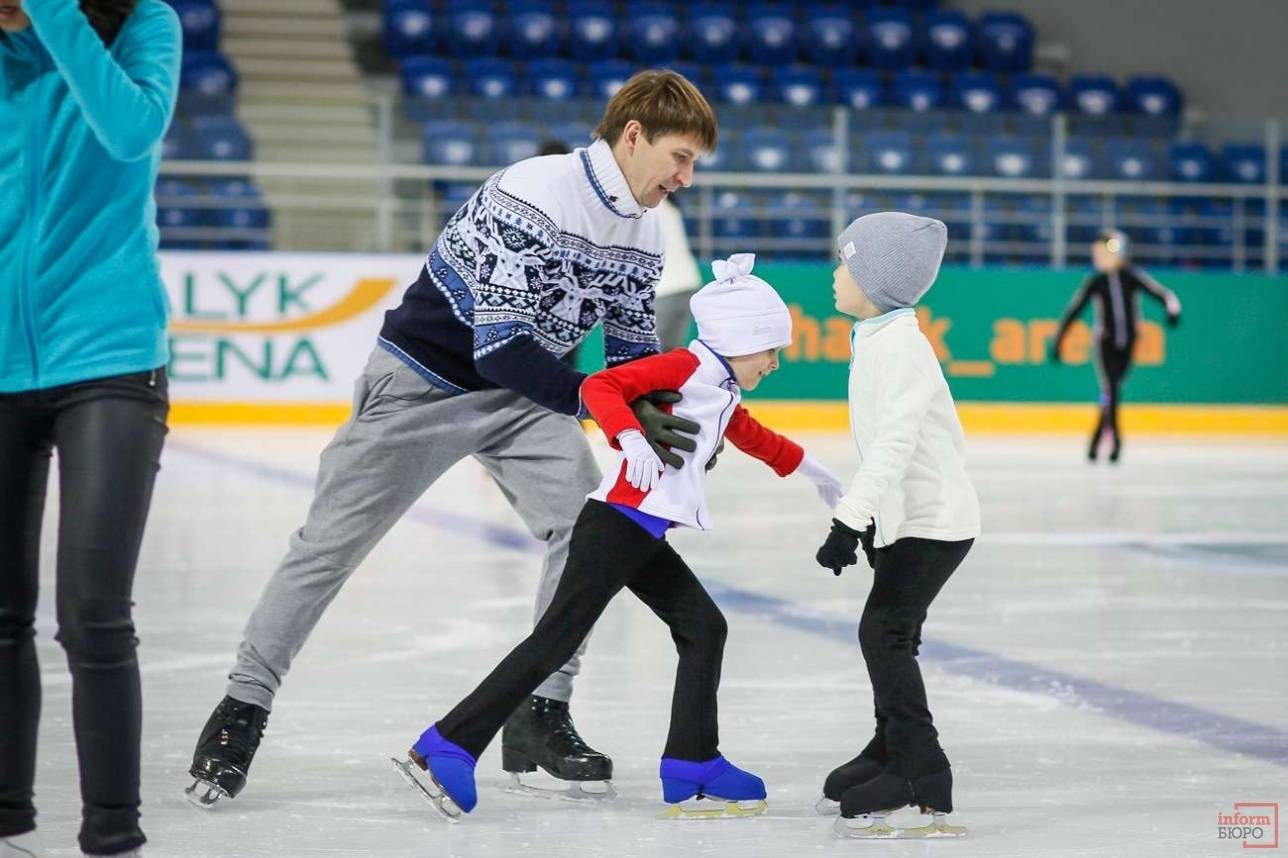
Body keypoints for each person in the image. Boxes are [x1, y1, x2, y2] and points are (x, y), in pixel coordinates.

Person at [185, 70, 719, 808]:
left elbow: (629, 361)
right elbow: (497, 348)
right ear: (634, 136)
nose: (686, 178)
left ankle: (541, 712)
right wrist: (603, 407)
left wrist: (670, 413)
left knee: (593, 528)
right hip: (422, 385)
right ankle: (240, 710)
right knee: (328, 548)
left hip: (526, 397)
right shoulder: (532, 192)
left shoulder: (644, 227)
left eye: (694, 164)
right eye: (681, 157)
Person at [392, 253, 845, 821]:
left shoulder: (717, 386)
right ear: (738, 340)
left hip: (642, 531)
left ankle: (692, 762)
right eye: (770, 350)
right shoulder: (682, 367)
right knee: (556, 641)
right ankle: (447, 743)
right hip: (617, 525)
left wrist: (820, 475)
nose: (775, 364)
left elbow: (754, 436)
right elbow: (605, 386)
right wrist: (629, 437)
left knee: (704, 626)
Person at [0, 1, 180, 856]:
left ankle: (112, 831)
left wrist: (52, 16)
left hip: (109, 355)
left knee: (92, 614)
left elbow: (127, 132)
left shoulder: (145, 23)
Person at [812, 213, 980, 840]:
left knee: (883, 631)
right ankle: (889, 749)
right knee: (893, 633)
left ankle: (921, 767)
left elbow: (895, 445)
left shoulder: (901, 346)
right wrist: (873, 523)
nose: (835, 274)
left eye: (845, 265)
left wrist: (847, 520)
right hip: (909, 520)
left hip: (934, 522)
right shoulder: (879, 334)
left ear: (875, 280)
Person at [1050, 229, 1182, 463]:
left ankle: (1095, 437)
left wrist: (1172, 310)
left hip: (1129, 343)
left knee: (1111, 393)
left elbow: (1162, 294)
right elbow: (1075, 310)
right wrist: (1060, 338)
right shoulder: (1096, 282)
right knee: (1111, 389)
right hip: (1105, 343)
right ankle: (1116, 441)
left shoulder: (1131, 276)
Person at [653, 197, 702, 350]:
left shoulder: (650, 205)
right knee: (666, 356)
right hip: (685, 284)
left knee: (640, 358)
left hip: (666, 288)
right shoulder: (668, 204)